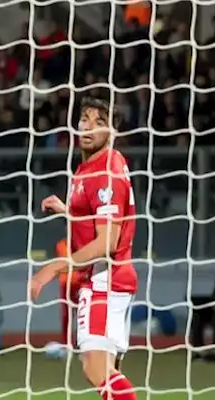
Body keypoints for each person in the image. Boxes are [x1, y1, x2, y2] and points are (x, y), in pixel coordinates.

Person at [29, 97, 139, 400]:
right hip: (113, 278)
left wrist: (53, 267)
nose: (88, 126)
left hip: (105, 278)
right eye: (85, 119)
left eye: (99, 122)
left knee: (94, 367)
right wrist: (69, 211)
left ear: (113, 131)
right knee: (107, 369)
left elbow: (107, 242)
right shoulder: (91, 167)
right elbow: (99, 216)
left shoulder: (104, 171)